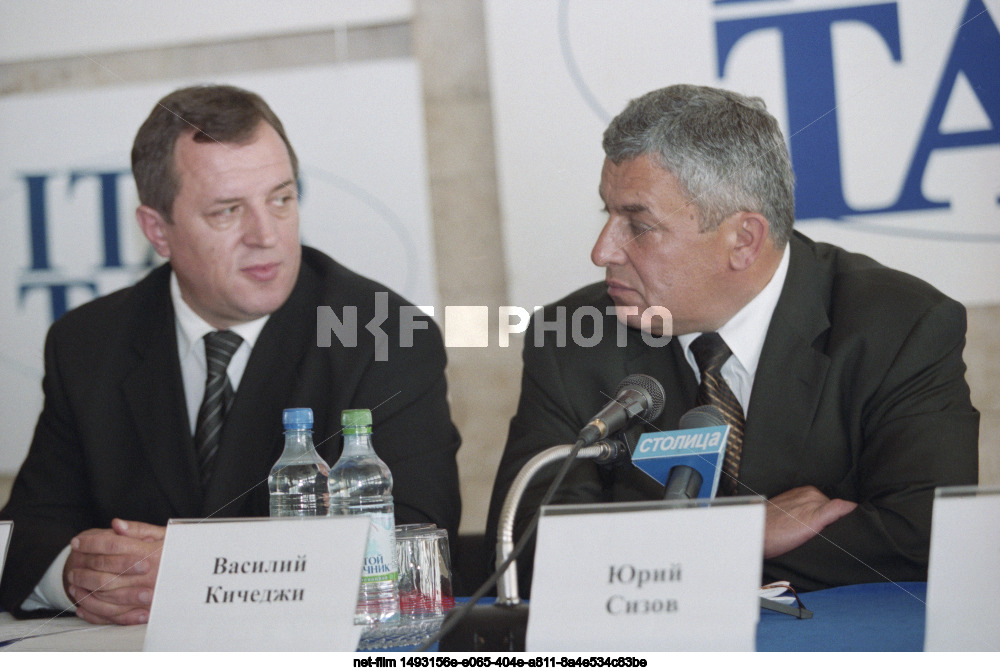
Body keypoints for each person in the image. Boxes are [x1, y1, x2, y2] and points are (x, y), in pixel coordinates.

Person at [486, 84, 979, 596]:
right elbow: (533, 547)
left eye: (638, 224)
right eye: (606, 215)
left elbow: (919, 538)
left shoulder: (901, 325)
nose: (601, 250)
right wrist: (737, 538)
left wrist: (657, 561)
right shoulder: (570, 337)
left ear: (744, 240)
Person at [0, 85, 462, 624]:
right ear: (157, 230)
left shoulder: (385, 334)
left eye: (282, 199)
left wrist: (195, 572)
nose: (267, 235)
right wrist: (77, 578)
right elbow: (30, 531)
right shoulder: (89, 342)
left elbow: (415, 546)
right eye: (227, 211)